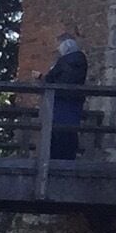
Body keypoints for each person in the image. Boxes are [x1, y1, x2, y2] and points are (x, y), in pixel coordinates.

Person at [42, 30, 88, 161]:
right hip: (74, 103)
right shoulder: (81, 60)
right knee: (70, 132)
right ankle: (69, 159)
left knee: (57, 133)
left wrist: (41, 77)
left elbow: (52, 79)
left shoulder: (63, 62)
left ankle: (55, 160)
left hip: (61, 102)